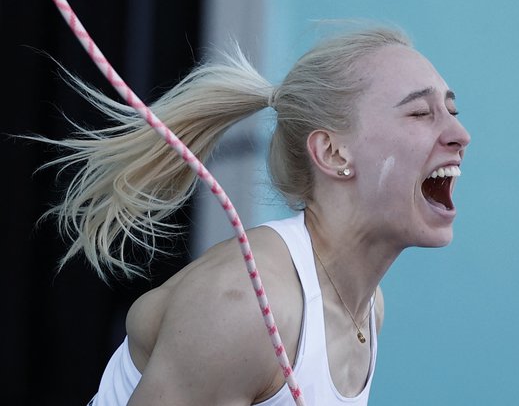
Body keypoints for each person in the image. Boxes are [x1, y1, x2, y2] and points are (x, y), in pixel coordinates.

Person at [39, 24, 470, 405]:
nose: (459, 134)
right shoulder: (245, 305)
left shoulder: (366, 309)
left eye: (451, 110)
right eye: (420, 112)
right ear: (332, 152)